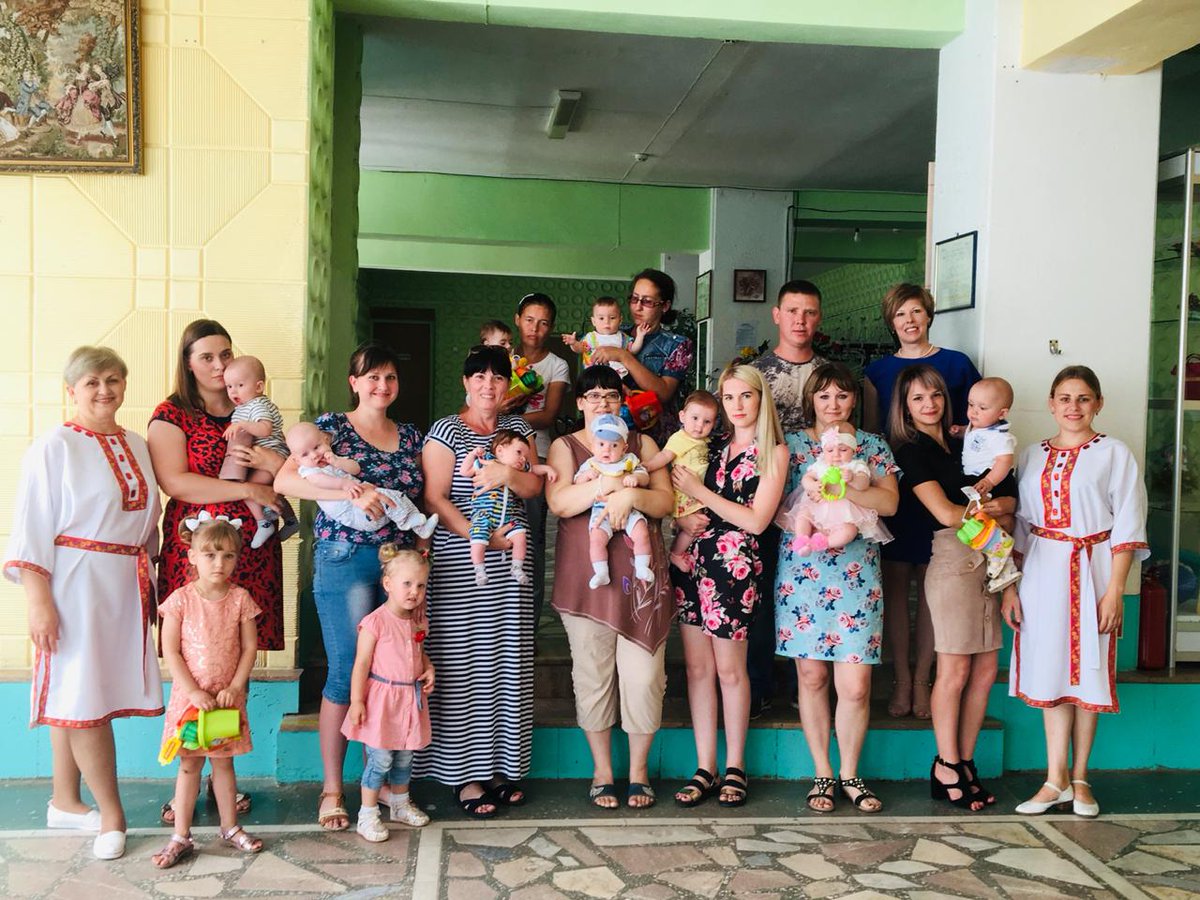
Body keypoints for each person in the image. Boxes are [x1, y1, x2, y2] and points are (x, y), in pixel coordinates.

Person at [4, 346, 163, 861]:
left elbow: (148, 522)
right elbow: (31, 526)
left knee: (75, 694)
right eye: (92, 382)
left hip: (124, 583)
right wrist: (39, 601)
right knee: (82, 698)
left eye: (113, 379)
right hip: (74, 585)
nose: (104, 390)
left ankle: (65, 802)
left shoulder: (137, 444)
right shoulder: (54, 446)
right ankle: (112, 815)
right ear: (71, 390)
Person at [274, 341, 427, 832]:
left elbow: (419, 496)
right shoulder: (331, 429)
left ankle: (377, 790)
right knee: (347, 672)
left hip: (399, 566)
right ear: (354, 382)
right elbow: (285, 482)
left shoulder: (411, 435)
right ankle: (333, 790)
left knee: (391, 673)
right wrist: (346, 490)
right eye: (372, 376)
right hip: (345, 558)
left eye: (390, 377)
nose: (382, 385)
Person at [149, 319, 284, 825]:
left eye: (225, 354)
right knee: (195, 655)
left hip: (246, 549)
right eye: (206, 356)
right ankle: (186, 772)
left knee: (233, 657)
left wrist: (269, 465)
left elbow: (283, 462)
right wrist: (247, 489)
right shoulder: (171, 414)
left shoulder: (253, 408)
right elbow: (177, 482)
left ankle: (221, 771)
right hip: (197, 549)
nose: (219, 364)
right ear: (187, 363)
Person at [1003, 366, 1148, 819]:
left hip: (1093, 570)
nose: (1073, 407)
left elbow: (1128, 525)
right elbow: (1021, 527)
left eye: (1083, 398)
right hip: (1041, 573)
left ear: (1098, 403)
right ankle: (1055, 779)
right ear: (1051, 404)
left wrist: (1114, 591)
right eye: (1065, 398)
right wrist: (1010, 588)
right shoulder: (1031, 455)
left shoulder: (1114, 453)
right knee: (1050, 671)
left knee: (1087, 672)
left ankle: (1081, 778)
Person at [419, 346, 543, 817]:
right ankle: (464, 776)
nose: (488, 384)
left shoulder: (519, 430)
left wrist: (508, 471)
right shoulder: (446, 431)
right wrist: (480, 534)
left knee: (506, 661)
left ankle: (501, 769)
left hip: (512, 562)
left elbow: (534, 487)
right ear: (466, 382)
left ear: (508, 384)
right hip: (461, 562)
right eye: (479, 376)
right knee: (463, 663)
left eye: (497, 376)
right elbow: (434, 498)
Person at [887, 365, 1016, 812]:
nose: (929, 405)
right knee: (955, 670)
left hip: (991, 555)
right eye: (918, 398)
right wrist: (994, 509)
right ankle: (945, 764)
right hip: (952, 557)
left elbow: (1012, 496)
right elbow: (944, 513)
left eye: (936, 395)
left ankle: (966, 761)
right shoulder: (910, 449)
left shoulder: (971, 438)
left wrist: (1001, 506)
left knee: (985, 670)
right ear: (905, 406)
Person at [546, 365, 675, 810]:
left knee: (645, 679)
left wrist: (631, 496)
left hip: (641, 583)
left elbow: (665, 501)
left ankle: (638, 772)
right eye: (594, 395)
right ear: (580, 403)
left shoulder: (643, 445)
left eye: (612, 395)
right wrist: (607, 485)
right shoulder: (566, 447)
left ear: (623, 401)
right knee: (592, 677)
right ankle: (602, 772)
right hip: (587, 583)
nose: (603, 402)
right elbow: (560, 502)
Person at [775, 362, 898, 814]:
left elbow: (889, 502)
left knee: (857, 684)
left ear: (854, 400)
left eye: (842, 395)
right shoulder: (792, 446)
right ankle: (823, 773)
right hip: (803, 573)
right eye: (824, 395)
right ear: (811, 400)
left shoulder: (871, 446)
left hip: (856, 575)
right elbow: (774, 503)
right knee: (811, 677)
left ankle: (850, 774)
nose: (833, 404)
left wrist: (843, 488)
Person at [671, 365, 788, 809]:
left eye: (746, 396)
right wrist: (683, 519)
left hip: (734, 568)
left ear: (761, 399)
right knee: (697, 669)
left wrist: (700, 493)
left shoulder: (774, 452)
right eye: (729, 397)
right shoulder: (711, 445)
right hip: (692, 563)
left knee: (730, 669)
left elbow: (756, 520)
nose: (737, 406)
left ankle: (735, 765)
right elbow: (679, 496)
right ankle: (705, 766)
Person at [863, 285, 981, 720]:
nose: (909, 320)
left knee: (934, 591)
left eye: (916, 312)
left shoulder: (957, 364)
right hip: (898, 484)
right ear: (890, 322)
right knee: (896, 587)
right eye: (900, 314)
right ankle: (901, 679)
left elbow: (981, 421)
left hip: (942, 483)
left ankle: (924, 679)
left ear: (929, 315)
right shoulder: (877, 371)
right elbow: (872, 432)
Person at [153, 516, 263, 868]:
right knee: (189, 765)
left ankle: (230, 827)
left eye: (228, 556)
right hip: (191, 701)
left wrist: (236, 686)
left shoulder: (241, 599)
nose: (219, 563)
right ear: (192, 556)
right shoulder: (180, 601)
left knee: (223, 763)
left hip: (226, 701)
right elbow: (171, 651)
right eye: (210, 554)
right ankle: (180, 836)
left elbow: (249, 648)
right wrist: (193, 692)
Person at [748, 280, 826, 717]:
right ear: (777, 315)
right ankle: (759, 685)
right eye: (793, 311)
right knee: (760, 592)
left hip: (820, 504)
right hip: (763, 499)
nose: (801, 320)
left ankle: (806, 687)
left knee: (811, 592)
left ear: (818, 318)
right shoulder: (756, 373)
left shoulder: (829, 375)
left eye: (809, 312)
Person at [343, 545, 435, 839]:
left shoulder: (417, 620)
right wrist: (357, 701)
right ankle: (367, 814)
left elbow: (419, 652)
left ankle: (399, 804)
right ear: (387, 584)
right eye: (407, 584)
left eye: (420, 585)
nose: (414, 592)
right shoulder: (375, 622)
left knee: (405, 757)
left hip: (409, 699)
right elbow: (361, 663)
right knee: (381, 759)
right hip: (382, 702)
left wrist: (428, 667)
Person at [506, 294, 569, 630]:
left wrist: (503, 415)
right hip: (497, 455)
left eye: (543, 323)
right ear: (517, 319)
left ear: (552, 327)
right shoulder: (502, 356)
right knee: (494, 529)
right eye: (529, 320)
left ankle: (528, 623)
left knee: (531, 536)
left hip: (536, 456)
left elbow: (548, 416)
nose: (535, 328)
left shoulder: (556, 365)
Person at [590, 269, 693, 451]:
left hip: (657, 440)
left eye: (647, 301)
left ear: (665, 306)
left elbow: (664, 392)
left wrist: (624, 356)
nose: (637, 307)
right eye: (634, 299)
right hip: (609, 436)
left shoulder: (677, 345)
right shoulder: (614, 334)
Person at [285, 422, 437, 539]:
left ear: (325, 440)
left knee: (393, 496)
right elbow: (319, 481)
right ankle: (410, 522)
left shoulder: (332, 460)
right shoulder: (309, 470)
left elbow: (355, 469)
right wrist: (345, 485)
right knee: (384, 497)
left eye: (317, 447)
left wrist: (338, 461)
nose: (314, 455)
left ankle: (417, 525)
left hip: (377, 518)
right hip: (354, 515)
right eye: (305, 454)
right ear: (296, 460)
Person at [459, 428, 557, 585]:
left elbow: (533, 469)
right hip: (484, 515)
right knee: (478, 539)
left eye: (525, 457)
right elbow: (464, 472)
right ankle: (479, 569)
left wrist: (547, 469)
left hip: (507, 517)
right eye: (518, 452)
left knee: (520, 536)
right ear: (500, 450)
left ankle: (516, 567)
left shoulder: (518, 469)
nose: (523, 459)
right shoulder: (485, 462)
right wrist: (472, 455)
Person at [218, 355, 297, 549]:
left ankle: (264, 523)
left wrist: (241, 425)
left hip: (272, 453)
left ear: (259, 386)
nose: (233, 391)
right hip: (264, 456)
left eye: (240, 385)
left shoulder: (258, 405)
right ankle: (290, 520)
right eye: (229, 386)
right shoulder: (245, 406)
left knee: (251, 489)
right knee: (268, 492)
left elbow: (265, 429)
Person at [778, 424, 892, 555]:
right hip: (818, 505)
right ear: (824, 451)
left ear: (853, 450)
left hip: (844, 512)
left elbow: (863, 484)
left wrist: (853, 478)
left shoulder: (855, 466)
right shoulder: (821, 465)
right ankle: (803, 540)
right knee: (802, 516)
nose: (836, 455)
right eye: (830, 450)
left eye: (843, 450)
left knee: (849, 531)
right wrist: (813, 485)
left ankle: (823, 542)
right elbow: (806, 478)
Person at [643, 390, 720, 570]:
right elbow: (665, 455)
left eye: (707, 422)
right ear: (682, 416)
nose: (699, 426)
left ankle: (677, 526)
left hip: (694, 491)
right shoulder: (681, 438)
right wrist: (648, 466)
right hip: (685, 494)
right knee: (696, 525)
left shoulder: (703, 440)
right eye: (695, 418)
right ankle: (676, 553)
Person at [561, 296, 649, 377]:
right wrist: (573, 343)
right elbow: (580, 349)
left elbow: (633, 350)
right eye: (601, 318)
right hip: (594, 375)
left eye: (612, 318)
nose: (607, 322)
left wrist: (640, 336)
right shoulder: (591, 337)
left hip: (616, 376)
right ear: (594, 321)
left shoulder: (623, 338)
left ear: (620, 320)